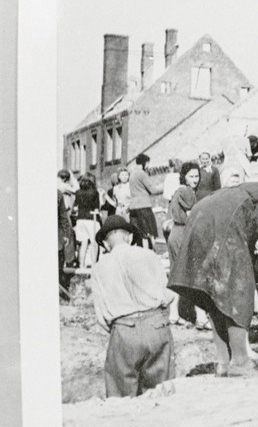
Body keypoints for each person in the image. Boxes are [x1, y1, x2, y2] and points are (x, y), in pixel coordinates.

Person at [168, 181, 258, 377]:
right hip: (225, 217)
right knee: (238, 289)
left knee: (214, 293)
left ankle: (224, 362)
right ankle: (240, 362)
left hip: (202, 214)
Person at [91, 215, 175, 397]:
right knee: (162, 394)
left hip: (124, 330)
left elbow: (101, 317)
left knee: (121, 397)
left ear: (105, 244)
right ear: (129, 237)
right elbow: (167, 294)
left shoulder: (98, 268)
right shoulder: (150, 255)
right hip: (156, 325)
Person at [166, 161, 210, 329]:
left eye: (197, 176)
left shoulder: (179, 191)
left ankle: (173, 314)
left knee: (176, 276)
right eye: (191, 176)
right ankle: (200, 317)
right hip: (184, 234)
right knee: (195, 275)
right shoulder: (187, 191)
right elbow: (193, 216)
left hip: (175, 234)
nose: (195, 179)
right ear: (183, 177)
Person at [129, 153, 162, 251]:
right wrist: (165, 187)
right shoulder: (142, 174)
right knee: (149, 233)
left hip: (133, 207)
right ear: (145, 163)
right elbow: (153, 190)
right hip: (143, 206)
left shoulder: (132, 173)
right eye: (148, 163)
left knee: (139, 234)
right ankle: (151, 255)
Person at [74, 175, 101, 268]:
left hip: (80, 219)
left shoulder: (77, 192)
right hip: (91, 218)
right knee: (94, 242)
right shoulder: (94, 192)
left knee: (83, 243)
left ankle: (81, 265)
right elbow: (97, 208)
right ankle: (94, 265)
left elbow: (75, 207)